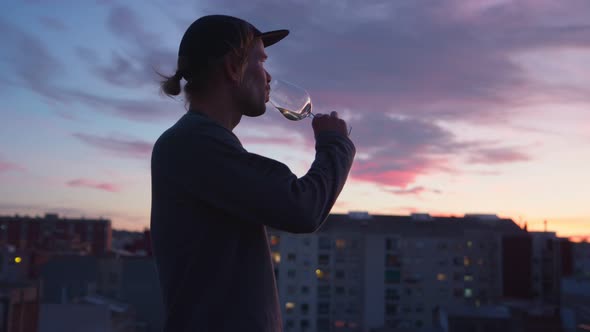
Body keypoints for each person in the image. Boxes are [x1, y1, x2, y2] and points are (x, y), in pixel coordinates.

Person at [150, 15, 355, 332]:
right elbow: (301, 207)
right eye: (260, 61)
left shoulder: (201, 143)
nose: (269, 76)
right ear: (233, 68)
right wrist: (335, 145)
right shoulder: (191, 144)